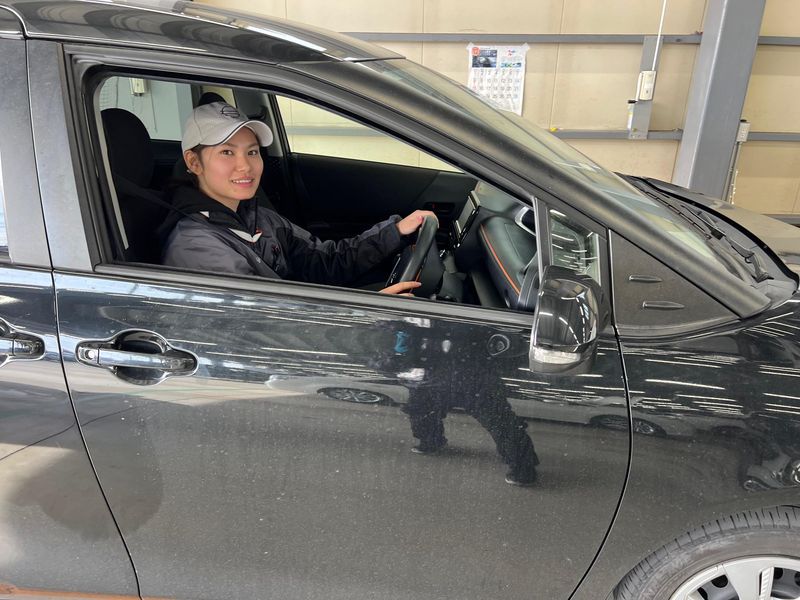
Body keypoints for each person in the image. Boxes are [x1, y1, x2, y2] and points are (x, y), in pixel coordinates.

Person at [162, 101, 434, 293]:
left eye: (252, 152)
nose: (245, 166)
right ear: (194, 162)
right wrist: (371, 313)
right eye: (227, 152)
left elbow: (324, 262)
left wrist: (395, 232)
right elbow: (259, 327)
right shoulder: (196, 247)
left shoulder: (258, 217)